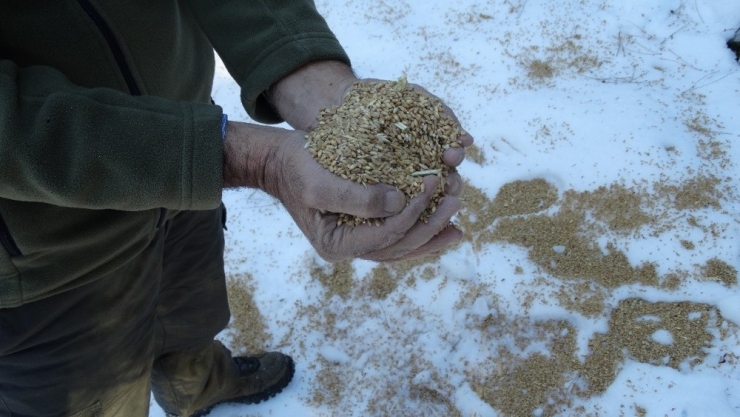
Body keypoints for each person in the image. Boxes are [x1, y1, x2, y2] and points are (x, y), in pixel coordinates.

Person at [0, 1, 473, 416]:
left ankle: (197, 388)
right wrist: (249, 159)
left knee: (192, 316)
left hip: (185, 164)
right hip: (48, 258)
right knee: (93, 402)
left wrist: (300, 64)